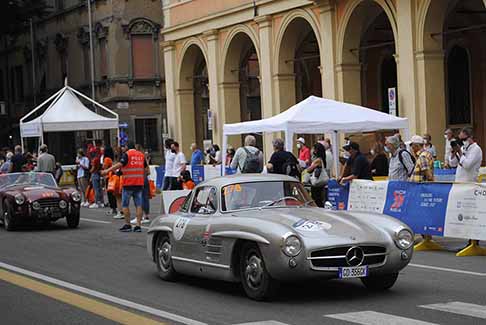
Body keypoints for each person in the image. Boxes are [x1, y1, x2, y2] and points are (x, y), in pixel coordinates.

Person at [102, 142, 146, 232]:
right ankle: (138, 225)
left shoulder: (127, 155)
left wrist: (107, 170)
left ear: (127, 147)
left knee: (125, 205)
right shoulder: (141, 155)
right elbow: (147, 169)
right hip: (139, 183)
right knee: (138, 205)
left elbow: (120, 164)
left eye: (124, 147)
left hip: (128, 184)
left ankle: (128, 224)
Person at [306, 143, 328, 207]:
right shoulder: (321, 159)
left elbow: (309, 170)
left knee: (316, 199)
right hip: (319, 183)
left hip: (317, 184)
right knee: (319, 199)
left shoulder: (318, 160)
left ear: (316, 150)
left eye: (313, 148)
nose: (311, 150)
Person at [103, 146, 118, 216]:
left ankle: (113, 208)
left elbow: (104, 167)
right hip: (112, 176)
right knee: (113, 193)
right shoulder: (112, 159)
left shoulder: (106, 159)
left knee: (109, 193)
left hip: (108, 177)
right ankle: (114, 207)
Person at [89, 142, 104, 209]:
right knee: (99, 189)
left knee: (96, 189)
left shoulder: (94, 159)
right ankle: (101, 202)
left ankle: (97, 202)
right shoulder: (99, 158)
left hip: (94, 174)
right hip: (98, 173)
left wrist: (90, 171)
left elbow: (93, 168)